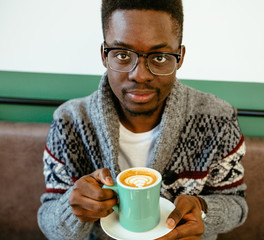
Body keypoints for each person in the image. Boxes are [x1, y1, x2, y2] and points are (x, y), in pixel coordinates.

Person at [37, 0, 248, 239]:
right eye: (123, 55)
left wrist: (203, 210)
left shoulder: (218, 119)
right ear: (104, 56)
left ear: (179, 57)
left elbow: (236, 205)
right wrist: (72, 208)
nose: (140, 75)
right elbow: (49, 220)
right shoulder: (69, 122)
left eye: (159, 57)